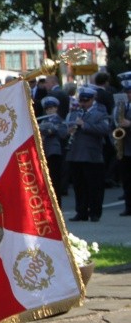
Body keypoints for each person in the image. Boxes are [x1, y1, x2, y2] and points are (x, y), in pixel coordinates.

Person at [65, 87, 110, 222]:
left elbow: (105, 129)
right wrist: (70, 130)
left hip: (92, 155)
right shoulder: (75, 113)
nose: (83, 104)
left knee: (94, 186)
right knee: (79, 186)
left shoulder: (100, 113)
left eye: (86, 101)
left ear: (92, 99)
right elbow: (67, 127)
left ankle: (95, 212)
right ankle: (81, 212)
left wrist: (85, 125)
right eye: (81, 101)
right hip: (75, 154)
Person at [38, 96, 68, 207]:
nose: (50, 110)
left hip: (54, 153)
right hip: (44, 153)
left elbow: (63, 133)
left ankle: (57, 206)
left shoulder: (60, 120)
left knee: (55, 181)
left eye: (52, 108)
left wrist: (51, 130)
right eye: (48, 109)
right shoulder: (43, 120)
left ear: (56, 108)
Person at [115, 83, 131, 216]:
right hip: (124, 147)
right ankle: (128, 207)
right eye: (127, 92)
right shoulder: (121, 107)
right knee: (126, 180)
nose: (128, 95)